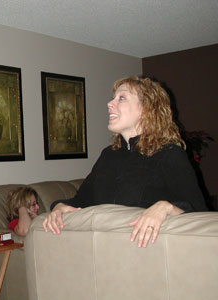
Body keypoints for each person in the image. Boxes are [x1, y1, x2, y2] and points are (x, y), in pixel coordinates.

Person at [43, 76, 208, 248]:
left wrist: (166, 208)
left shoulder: (169, 154)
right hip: (104, 252)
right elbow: (83, 200)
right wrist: (60, 206)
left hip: (147, 255)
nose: (109, 104)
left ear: (146, 109)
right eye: (113, 98)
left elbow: (199, 214)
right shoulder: (108, 156)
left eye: (121, 98)